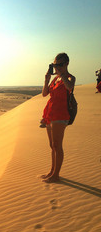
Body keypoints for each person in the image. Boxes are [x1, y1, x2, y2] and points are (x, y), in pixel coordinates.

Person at [40, 53, 76, 183]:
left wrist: (61, 74)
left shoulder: (70, 78)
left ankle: (56, 175)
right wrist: (46, 80)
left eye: (60, 65)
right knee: (52, 145)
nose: (57, 67)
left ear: (66, 64)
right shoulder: (55, 80)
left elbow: (70, 87)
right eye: (55, 64)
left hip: (61, 115)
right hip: (50, 114)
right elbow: (45, 94)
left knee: (57, 145)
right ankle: (52, 171)